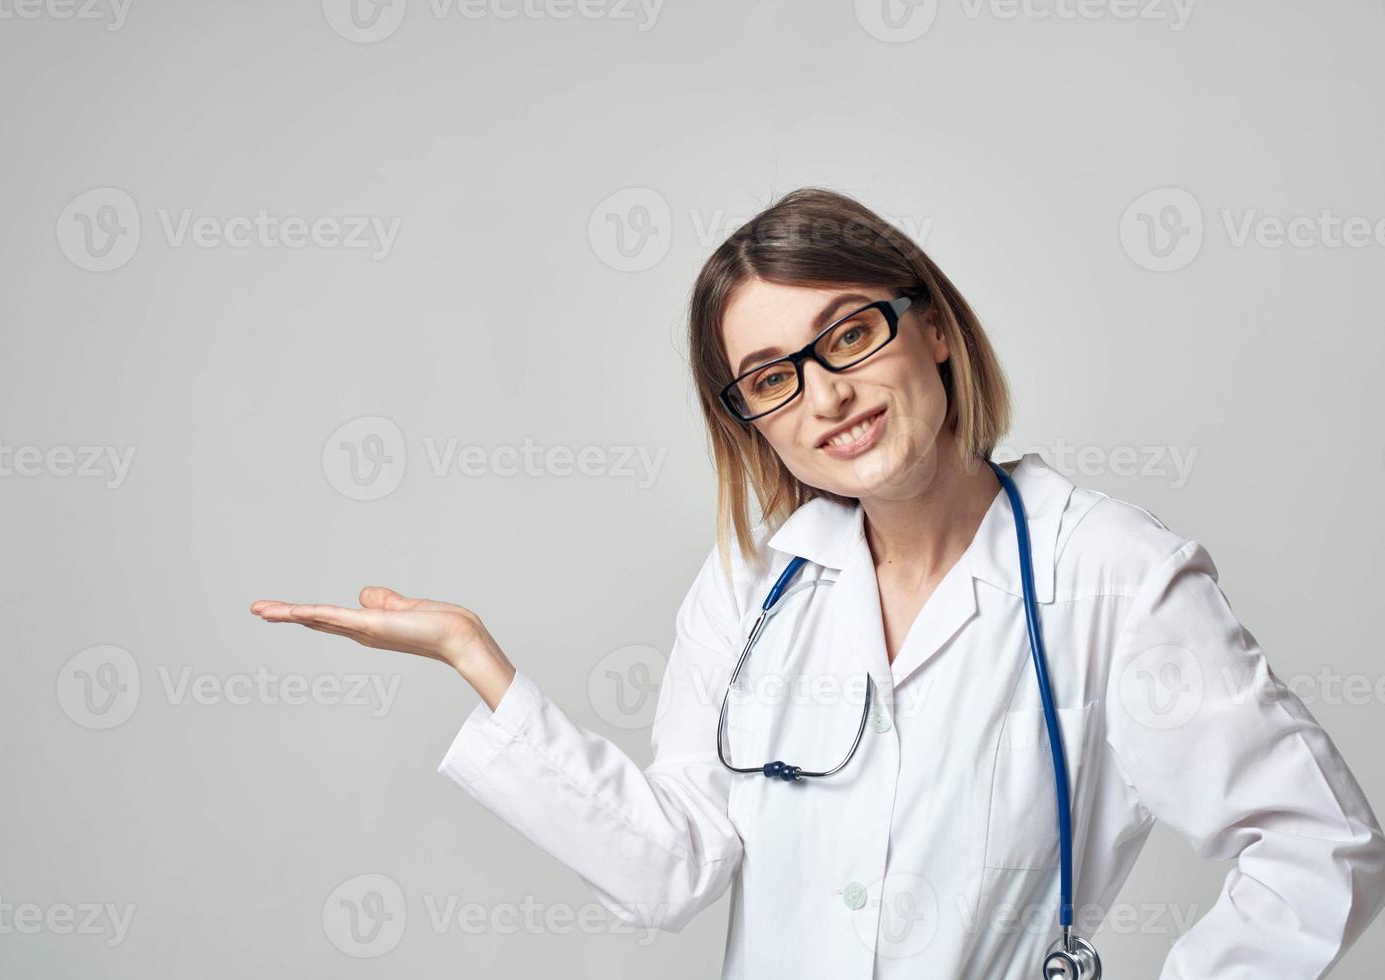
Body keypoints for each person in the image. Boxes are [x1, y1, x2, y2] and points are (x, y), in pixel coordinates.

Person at [250, 188, 1385, 977]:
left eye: (846, 334)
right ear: (750, 418)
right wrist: (475, 660)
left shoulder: (1111, 574)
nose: (824, 394)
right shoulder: (754, 582)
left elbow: (1313, 845)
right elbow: (671, 865)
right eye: (769, 377)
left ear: (930, 327)